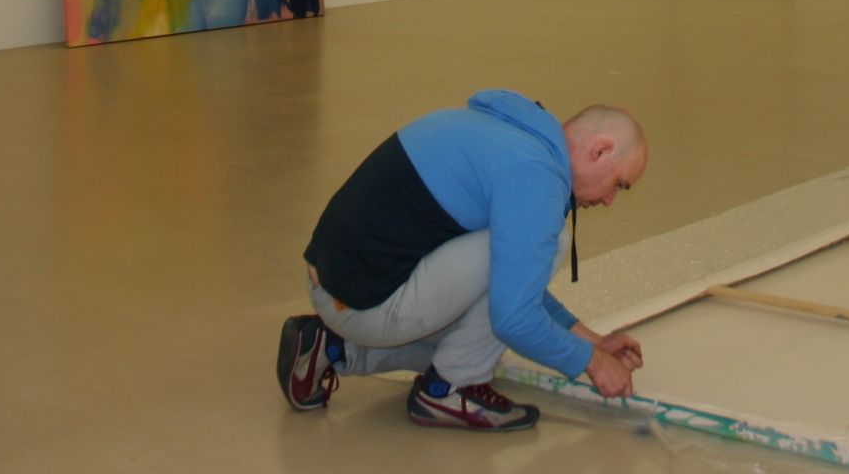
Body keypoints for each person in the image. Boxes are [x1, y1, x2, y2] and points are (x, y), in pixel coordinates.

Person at [276, 90, 649, 431]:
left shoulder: (513, 136)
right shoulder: (534, 177)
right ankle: (448, 390)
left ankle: (333, 346)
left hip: (342, 286)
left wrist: (592, 341)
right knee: (535, 271)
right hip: (360, 303)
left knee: (476, 342)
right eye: (619, 184)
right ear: (600, 150)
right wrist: (592, 362)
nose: (609, 201)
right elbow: (514, 316)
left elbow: (508, 275)